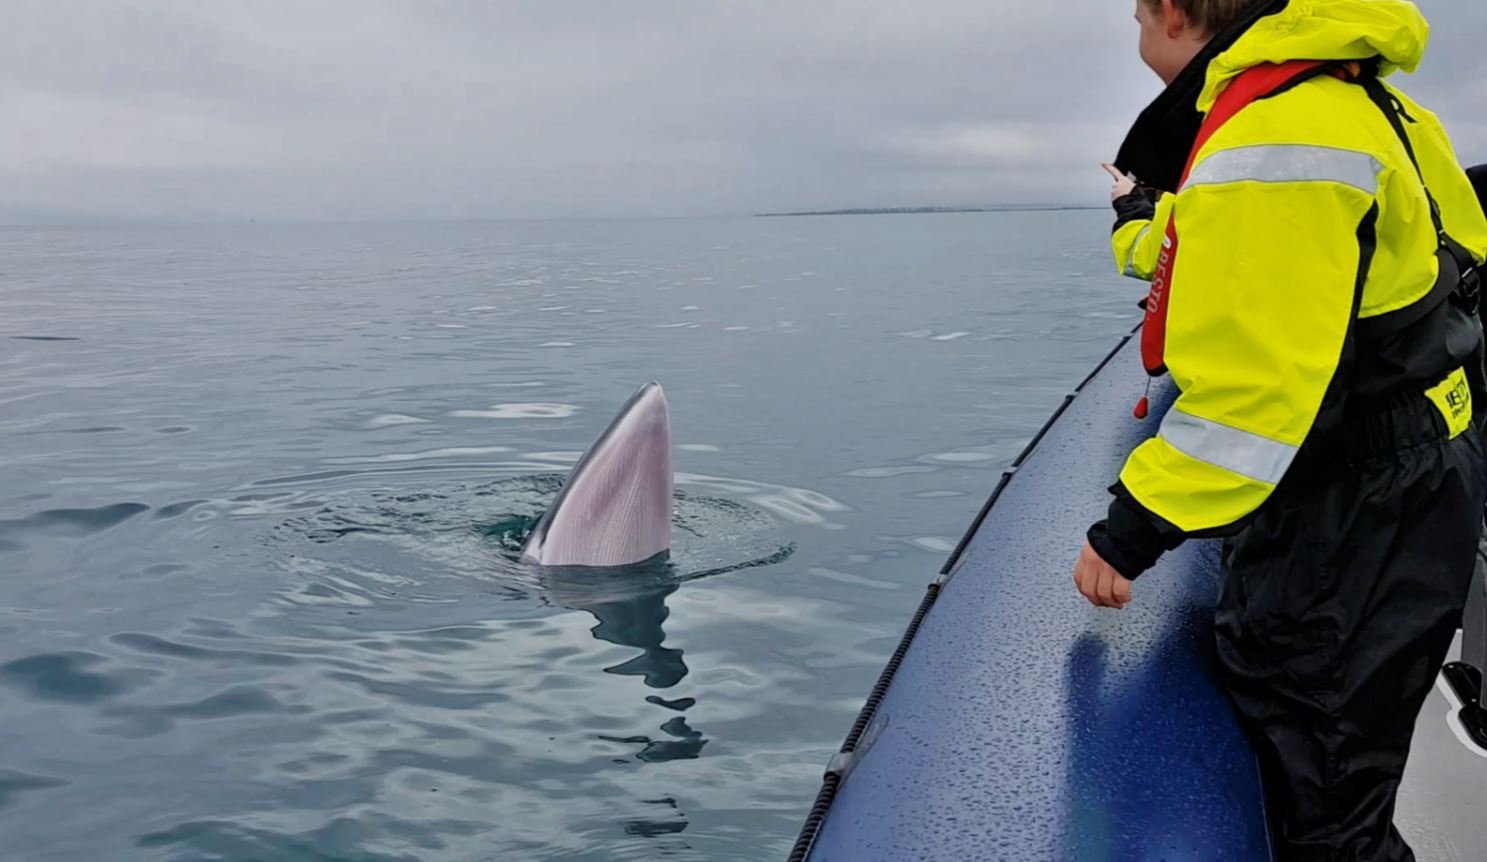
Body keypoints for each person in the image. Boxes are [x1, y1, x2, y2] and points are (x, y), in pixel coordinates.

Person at [1070, 1, 1487, 859]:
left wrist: (1129, 530)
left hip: (1354, 506)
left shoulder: (1268, 140)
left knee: (1323, 803)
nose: (1138, 40)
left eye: (1138, 19)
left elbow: (1252, 393)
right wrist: (1137, 217)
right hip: (1426, 467)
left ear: (1176, 15)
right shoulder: (1369, 103)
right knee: (1346, 767)